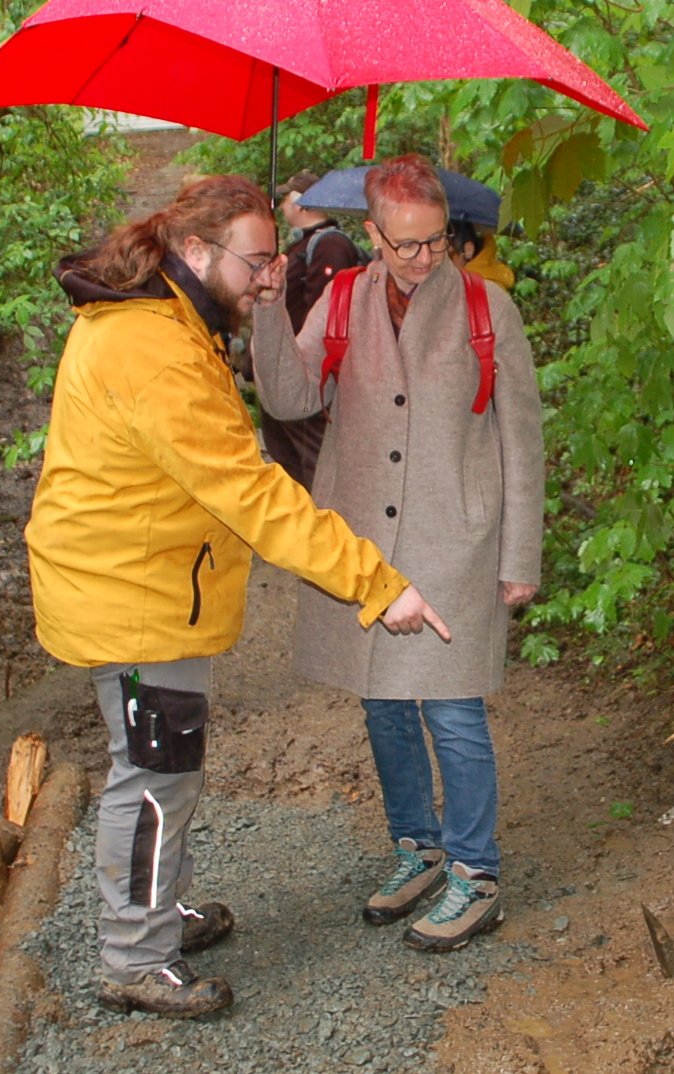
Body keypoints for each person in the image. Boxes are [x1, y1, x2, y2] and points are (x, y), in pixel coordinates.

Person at [26, 174, 450, 1018]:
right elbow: (252, 493)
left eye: (277, 260)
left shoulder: (171, 321)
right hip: (131, 596)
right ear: (195, 250)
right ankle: (134, 959)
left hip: (146, 583)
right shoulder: (152, 348)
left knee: (168, 767)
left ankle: (160, 916)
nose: (271, 279)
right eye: (258, 263)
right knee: (150, 779)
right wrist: (374, 583)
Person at [251, 154, 544, 953]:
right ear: (372, 233)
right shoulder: (342, 298)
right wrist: (269, 311)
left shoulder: (489, 309)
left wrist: (520, 555)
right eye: (406, 244)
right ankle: (418, 847)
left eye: (437, 241)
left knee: (453, 713)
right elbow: (290, 397)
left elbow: (521, 438)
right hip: (366, 546)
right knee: (383, 702)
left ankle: (476, 875)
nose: (424, 259)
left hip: (459, 540)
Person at [263, 171, 368, 487]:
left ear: (304, 204)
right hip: (290, 373)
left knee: (312, 462)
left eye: (287, 197)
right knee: (288, 460)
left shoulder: (330, 245)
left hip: (310, 376)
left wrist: (300, 363)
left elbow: (325, 311)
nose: (282, 204)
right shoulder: (303, 245)